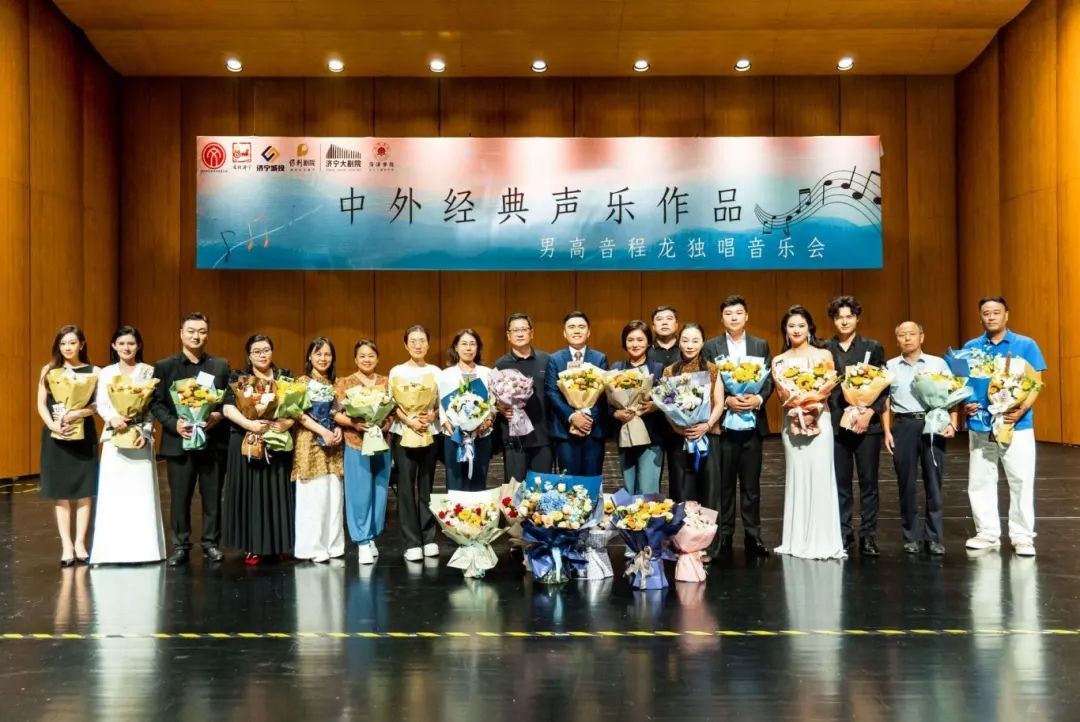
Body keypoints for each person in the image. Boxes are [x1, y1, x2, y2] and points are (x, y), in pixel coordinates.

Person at [963, 296, 1046, 556]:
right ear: (980, 317)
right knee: (980, 480)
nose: (991, 317)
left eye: (996, 312)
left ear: (1006, 315)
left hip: (1016, 424)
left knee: (1020, 479)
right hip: (981, 424)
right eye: (986, 313)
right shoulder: (971, 347)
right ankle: (987, 533)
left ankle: (1022, 537)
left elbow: (1036, 382)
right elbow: (963, 382)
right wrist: (965, 403)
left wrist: (1021, 410)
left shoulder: (1025, 344)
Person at [150, 312, 230, 567]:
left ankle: (211, 543)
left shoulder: (220, 366)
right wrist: (174, 424)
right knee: (180, 498)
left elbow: (228, 400)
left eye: (202, 331)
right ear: (181, 334)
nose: (197, 336)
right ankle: (181, 545)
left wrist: (216, 415)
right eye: (191, 331)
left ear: (208, 334)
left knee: (212, 496)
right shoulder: (165, 366)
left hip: (212, 442)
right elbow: (156, 403)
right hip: (178, 443)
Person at [772, 305, 846, 560]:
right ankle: (797, 539)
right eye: (791, 326)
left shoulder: (823, 354)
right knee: (798, 476)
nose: (796, 330)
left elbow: (827, 389)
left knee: (820, 476)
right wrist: (798, 409)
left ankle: (823, 540)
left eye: (801, 325)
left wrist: (813, 410)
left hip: (820, 422)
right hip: (792, 422)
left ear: (810, 328)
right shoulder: (779, 360)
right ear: (785, 329)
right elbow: (782, 395)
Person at [702, 294, 773, 558]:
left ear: (747, 316)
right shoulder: (711, 346)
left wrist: (757, 399)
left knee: (751, 486)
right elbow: (707, 381)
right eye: (728, 313)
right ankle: (724, 537)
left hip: (753, 425)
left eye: (738, 313)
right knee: (724, 486)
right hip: (723, 427)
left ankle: (754, 537)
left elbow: (769, 380)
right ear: (722, 318)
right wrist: (726, 401)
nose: (734, 317)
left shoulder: (760, 344)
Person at [90, 326, 166, 565]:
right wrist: (112, 418)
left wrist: (145, 431)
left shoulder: (148, 371)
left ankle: (145, 552)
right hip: (114, 436)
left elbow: (152, 407)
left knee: (141, 494)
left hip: (140, 438)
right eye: (121, 343)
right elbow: (102, 402)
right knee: (114, 495)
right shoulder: (106, 373)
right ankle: (110, 553)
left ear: (138, 346)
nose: (126, 348)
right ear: (114, 346)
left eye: (131, 343)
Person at [221, 335, 296, 565]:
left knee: (276, 493)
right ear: (249, 355)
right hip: (246, 441)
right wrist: (250, 424)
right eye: (257, 351)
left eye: (266, 350)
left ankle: (278, 545)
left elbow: (297, 407)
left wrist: (286, 423)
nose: (262, 355)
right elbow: (227, 408)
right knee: (251, 493)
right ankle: (253, 547)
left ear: (272, 351)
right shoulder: (239, 377)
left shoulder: (284, 376)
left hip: (276, 441)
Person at [882, 322, 955, 556]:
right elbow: (885, 402)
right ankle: (911, 536)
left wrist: (952, 422)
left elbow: (953, 393)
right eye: (902, 335)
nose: (907, 338)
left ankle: (934, 537)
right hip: (903, 425)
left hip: (933, 422)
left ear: (921, 337)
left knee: (934, 481)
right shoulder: (890, 366)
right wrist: (887, 431)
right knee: (906, 483)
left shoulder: (937, 363)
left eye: (912, 334)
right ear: (897, 340)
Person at [824, 295, 887, 556]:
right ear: (833, 320)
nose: (844, 321)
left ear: (857, 318)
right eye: (839, 317)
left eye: (849, 316)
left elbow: (884, 386)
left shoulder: (873, 347)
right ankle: (844, 534)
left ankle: (868, 536)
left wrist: (869, 412)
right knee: (841, 483)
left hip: (867, 426)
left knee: (869, 483)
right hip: (836, 426)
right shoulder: (824, 349)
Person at [37, 325, 100, 566]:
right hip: (56, 435)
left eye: (72, 343)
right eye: (63, 343)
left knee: (85, 490)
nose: (67, 347)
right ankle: (66, 545)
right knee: (60, 492)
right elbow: (41, 403)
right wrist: (53, 425)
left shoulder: (95, 371)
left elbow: (98, 405)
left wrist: (79, 412)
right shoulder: (49, 370)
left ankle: (81, 543)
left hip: (83, 434)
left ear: (81, 345)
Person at [334, 339, 392, 566]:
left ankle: (372, 535)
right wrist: (354, 424)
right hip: (355, 443)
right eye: (362, 356)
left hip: (381, 443)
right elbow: (335, 413)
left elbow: (392, 412)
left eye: (371, 355)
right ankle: (362, 541)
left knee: (379, 491)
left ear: (377, 358)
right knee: (359, 493)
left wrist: (385, 424)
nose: (367, 359)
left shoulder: (385, 382)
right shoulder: (345, 383)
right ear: (355, 359)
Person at [389, 325, 441, 562]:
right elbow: (391, 403)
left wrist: (432, 416)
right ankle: (411, 542)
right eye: (413, 341)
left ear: (428, 344)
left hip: (430, 433)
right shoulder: (396, 371)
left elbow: (443, 402)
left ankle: (428, 537)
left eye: (422, 340)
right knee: (406, 488)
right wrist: (408, 420)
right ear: (406, 344)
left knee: (427, 486)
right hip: (403, 433)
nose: (418, 345)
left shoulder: (436, 371)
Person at [292, 337, 345, 563]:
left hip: (333, 444)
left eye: (327, 354)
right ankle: (312, 547)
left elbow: (340, 413)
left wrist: (339, 428)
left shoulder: (336, 384)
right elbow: (298, 414)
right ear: (309, 356)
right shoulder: (301, 382)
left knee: (333, 494)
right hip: (310, 441)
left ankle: (334, 544)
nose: (323, 358)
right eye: (318, 353)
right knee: (313, 496)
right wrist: (322, 431)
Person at [662, 323, 725, 506]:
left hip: (708, 437)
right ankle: (682, 526)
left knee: (709, 491)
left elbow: (719, 403)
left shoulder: (712, 369)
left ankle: (710, 526)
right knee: (681, 491)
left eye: (695, 341)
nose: (690, 345)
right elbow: (666, 405)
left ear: (703, 343)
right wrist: (677, 428)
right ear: (679, 342)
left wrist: (706, 425)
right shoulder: (670, 371)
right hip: (680, 438)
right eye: (685, 340)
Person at [545, 311, 609, 476]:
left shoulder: (600, 358)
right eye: (572, 327)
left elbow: (604, 394)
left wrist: (586, 417)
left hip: (593, 430)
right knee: (568, 482)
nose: (577, 331)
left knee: (591, 481)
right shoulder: (555, 359)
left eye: (581, 327)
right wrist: (572, 416)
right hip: (565, 431)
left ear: (588, 332)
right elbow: (552, 392)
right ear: (564, 333)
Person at [493, 313, 552, 483]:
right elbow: (494, 400)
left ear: (531, 333)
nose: (520, 334)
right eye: (515, 330)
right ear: (508, 335)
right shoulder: (500, 364)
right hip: (514, 439)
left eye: (524, 329)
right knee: (514, 490)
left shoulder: (547, 360)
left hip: (542, 436)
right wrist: (501, 408)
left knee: (542, 489)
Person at [610, 320, 665, 494]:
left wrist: (655, 406)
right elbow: (606, 402)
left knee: (647, 492)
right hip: (625, 435)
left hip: (651, 437)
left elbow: (667, 400)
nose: (635, 344)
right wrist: (615, 413)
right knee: (628, 489)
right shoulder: (616, 368)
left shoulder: (658, 368)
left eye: (640, 340)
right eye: (630, 340)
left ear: (648, 342)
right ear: (624, 342)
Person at [438, 329, 495, 491]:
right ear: (456, 347)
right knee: (455, 481)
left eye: (472, 344)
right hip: (454, 435)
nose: (468, 348)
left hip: (481, 435)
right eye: (464, 344)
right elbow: (441, 404)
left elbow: (493, 402)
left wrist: (488, 420)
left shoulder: (487, 373)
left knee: (478, 482)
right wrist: (447, 424)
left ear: (478, 348)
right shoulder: (446, 374)